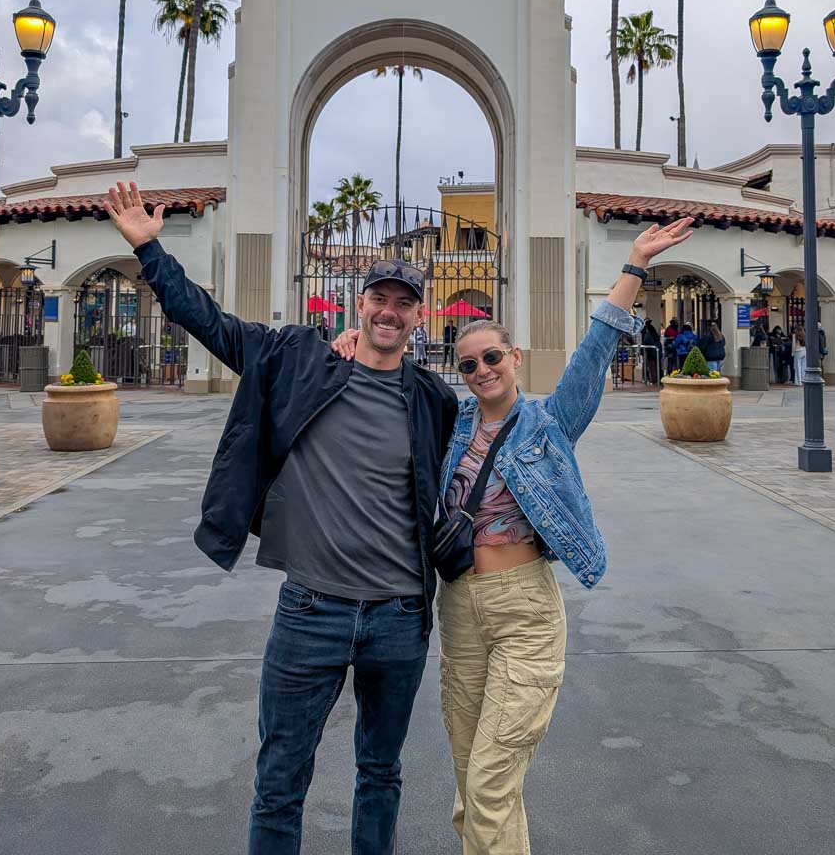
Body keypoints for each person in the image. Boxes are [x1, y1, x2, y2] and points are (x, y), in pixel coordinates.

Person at [102, 181, 458, 855]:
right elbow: (211, 323)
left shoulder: (432, 399)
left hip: (399, 619)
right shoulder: (298, 361)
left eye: (404, 303)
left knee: (381, 774)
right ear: (362, 303)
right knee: (280, 781)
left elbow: (485, 458)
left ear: (420, 316)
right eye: (380, 298)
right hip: (311, 612)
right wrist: (152, 251)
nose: (390, 311)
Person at [334, 217, 695, 853]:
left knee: (492, 781)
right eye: (469, 362)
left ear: (515, 358)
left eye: (492, 358)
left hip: (526, 610)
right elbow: (386, 387)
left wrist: (634, 264)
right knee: (472, 781)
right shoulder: (449, 419)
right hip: (461, 609)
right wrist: (347, 342)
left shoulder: (550, 422)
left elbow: (591, 354)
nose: (481, 370)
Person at [641, 318, 662, 384]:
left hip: (649, 351)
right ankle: (656, 378)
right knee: (655, 364)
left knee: (650, 365)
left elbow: (644, 341)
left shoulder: (645, 330)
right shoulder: (651, 330)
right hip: (654, 350)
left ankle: (652, 378)